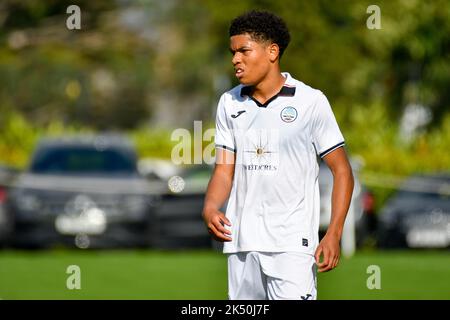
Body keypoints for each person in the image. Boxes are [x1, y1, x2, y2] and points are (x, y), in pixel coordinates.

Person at [202, 10, 354, 300]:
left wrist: (333, 232)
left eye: (244, 51)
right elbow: (223, 170)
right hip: (241, 244)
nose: (235, 59)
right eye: (233, 52)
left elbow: (342, 171)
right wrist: (210, 207)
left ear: (272, 52)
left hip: (292, 246)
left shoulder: (311, 102)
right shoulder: (228, 103)